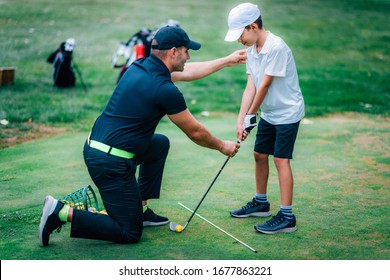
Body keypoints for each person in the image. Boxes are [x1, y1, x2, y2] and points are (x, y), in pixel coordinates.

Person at [38, 25, 243, 246]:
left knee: (159, 144)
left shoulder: (140, 66)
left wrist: (227, 60)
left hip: (100, 148)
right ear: (173, 51)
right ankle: (60, 211)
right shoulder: (164, 89)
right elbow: (195, 132)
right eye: (186, 51)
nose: (188, 56)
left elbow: (190, 70)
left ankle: (140, 209)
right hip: (110, 164)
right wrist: (223, 146)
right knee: (129, 232)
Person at [224, 3, 305, 234]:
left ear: (252, 26)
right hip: (269, 112)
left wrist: (251, 115)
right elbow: (251, 85)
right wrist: (241, 119)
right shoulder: (251, 50)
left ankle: (287, 216)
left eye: (240, 34)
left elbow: (265, 85)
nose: (239, 39)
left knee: (280, 160)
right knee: (259, 154)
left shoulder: (277, 47)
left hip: (287, 112)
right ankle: (261, 203)